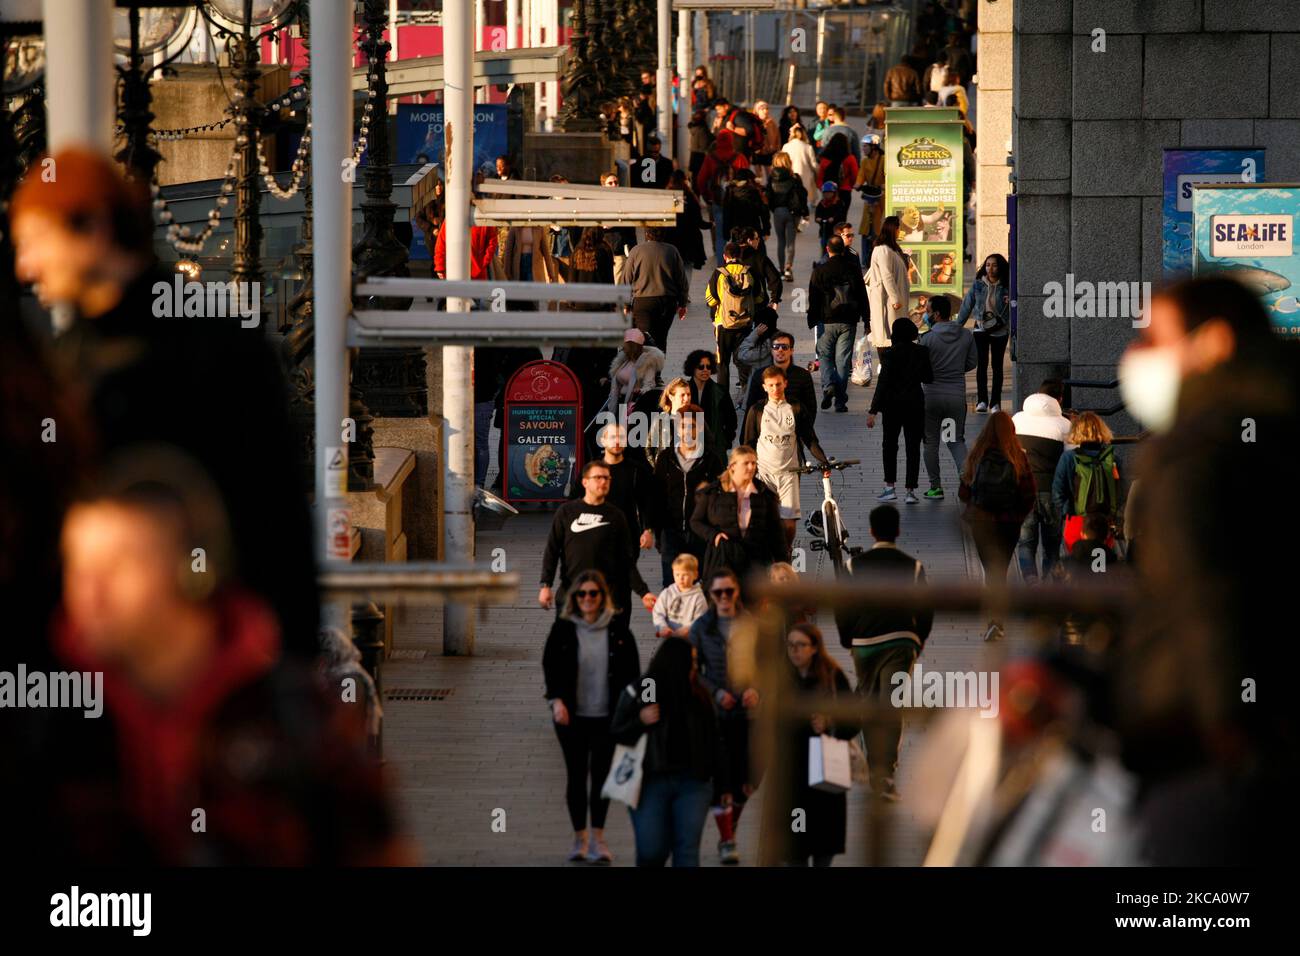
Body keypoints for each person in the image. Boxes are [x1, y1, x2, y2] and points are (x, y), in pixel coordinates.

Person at [10, 147, 320, 660]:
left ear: (93, 228)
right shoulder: (213, 341)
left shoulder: (97, 365)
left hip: (198, 661)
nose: (25, 267)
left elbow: (272, 522)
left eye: (35, 241)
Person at [47, 453, 405, 864]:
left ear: (192, 573)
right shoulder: (51, 718)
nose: (90, 594)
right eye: (79, 567)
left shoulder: (297, 718)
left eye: (118, 567)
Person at [1114, 275, 1300, 864]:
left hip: (1206, 745)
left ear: (1214, 341)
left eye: (1153, 337)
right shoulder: (1277, 418)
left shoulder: (1197, 451)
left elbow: (1208, 597)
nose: (1137, 356)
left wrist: (1226, 726)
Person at [835, 504, 933, 800]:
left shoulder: (854, 567)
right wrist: (919, 639)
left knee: (868, 699)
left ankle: (872, 759)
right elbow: (925, 610)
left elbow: (843, 609)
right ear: (898, 531)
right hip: (901, 643)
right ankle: (885, 772)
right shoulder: (913, 567)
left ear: (871, 531)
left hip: (864, 645)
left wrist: (847, 640)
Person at [542, 569, 640, 864]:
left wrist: (638, 708)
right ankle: (579, 839)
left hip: (606, 718)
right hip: (571, 716)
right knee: (575, 776)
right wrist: (556, 700)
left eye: (593, 594)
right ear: (575, 598)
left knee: (600, 777)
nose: (587, 599)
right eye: (582, 594)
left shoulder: (619, 630)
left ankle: (598, 838)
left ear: (602, 597)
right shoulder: (563, 628)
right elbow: (551, 666)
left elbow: (635, 675)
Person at [610, 635, 728, 867]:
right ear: (676, 661)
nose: (696, 666)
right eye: (692, 661)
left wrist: (723, 785)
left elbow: (715, 740)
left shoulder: (698, 694)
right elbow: (620, 729)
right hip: (651, 779)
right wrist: (641, 721)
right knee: (652, 850)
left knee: (686, 851)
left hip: (693, 782)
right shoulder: (650, 686)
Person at [689, 568, 761, 864]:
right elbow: (692, 671)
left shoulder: (754, 625)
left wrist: (757, 690)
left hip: (749, 715)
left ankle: (729, 830)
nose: (723, 598)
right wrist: (716, 693)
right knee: (723, 781)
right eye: (717, 593)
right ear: (711, 596)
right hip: (717, 715)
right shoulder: (701, 628)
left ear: (737, 593)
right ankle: (728, 839)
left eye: (728, 592)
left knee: (747, 782)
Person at [539, 460, 656, 633]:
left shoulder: (616, 516)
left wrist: (643, 592)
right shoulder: (566, 512)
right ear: (585, 482)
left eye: (607, 478)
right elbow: (552, 550)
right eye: (598, 477)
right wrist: (545, 585)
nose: (603, 482)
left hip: (605, 598)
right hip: (571, 595)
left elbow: (626, 561)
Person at [777, 623, 859, 865]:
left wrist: (830, 723)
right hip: (794, 780)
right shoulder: (780, 679)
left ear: (814, 648)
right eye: (790, 645)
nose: (794, 651)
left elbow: (854, 721)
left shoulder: (833, 677)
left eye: (800, 645)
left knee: (824, 846)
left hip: (826, 778)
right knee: (795, 846)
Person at [958, 411, 1036, 642]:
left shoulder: (977, 454)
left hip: (982, 524)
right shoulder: (1018, 456)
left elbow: (964, 492)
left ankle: (995, 620)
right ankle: (997, 620)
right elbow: (1029, 493)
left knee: (992, 571)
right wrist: (1018, 516)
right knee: (999, 570)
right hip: (1009, 524)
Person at [744, 366, 832, 551]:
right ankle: (769, 558)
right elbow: (748, 443)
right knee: (766, 522)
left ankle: (786, 552)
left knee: (789, 525)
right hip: (764, 474)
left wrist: (823, 460)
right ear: (764, 387)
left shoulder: (796, 407)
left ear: (785, 383)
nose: (775, 389)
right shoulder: (757, 410)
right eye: (771, 385)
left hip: (789, 474)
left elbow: (809, 438)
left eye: (778, 384)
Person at [690, 446, 788, 593]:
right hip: (723, 557)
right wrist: (713, 535)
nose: (751, 467)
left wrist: (784, 565)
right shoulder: (713, 493)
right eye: (746, 463)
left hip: (756, 559)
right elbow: (696, 521)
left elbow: (776, 533)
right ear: (733, 466)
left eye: (754, 463)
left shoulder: (765, 494)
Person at [648, 408, 724, 589]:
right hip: (671, 531)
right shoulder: (665, 458)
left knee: (701, 586)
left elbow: (721, 497)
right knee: (671, 584)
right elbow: (656, 496)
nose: (687, 431)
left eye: (692, 426)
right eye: (683, 426)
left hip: (701, 532)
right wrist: (655, 530)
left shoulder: (711, 460)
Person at [868, 318, 934, 503]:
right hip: (915, 404)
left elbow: (883, 383)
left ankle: (890, 487)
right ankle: (910, 491)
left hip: (892, 406)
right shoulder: (922, 352)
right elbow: (928, 378)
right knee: (913, 447)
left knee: (889, 446)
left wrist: (873, 411)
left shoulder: (889, 354)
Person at [1013, 383, 1072, 582]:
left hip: (1023, 491)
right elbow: (1070, 459)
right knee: (1052, 543)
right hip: (1052, 490)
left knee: (1025, 543)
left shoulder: (1017, 420)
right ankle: (1050, 583)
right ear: (1059, 400)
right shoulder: (1064, 425)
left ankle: (1031, 580)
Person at [920, 294, 976, 499]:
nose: (925, 315)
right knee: (954, 440)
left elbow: (922, 369)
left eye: (927, 311)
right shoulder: (966, 335)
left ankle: (935, 487)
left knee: (931, 443)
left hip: (931, 398)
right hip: (955, 397)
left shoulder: (927, 339)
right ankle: (967, 481)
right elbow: (972, 362)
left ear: (936, 314)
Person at [809, 235, 869, 413]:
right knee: (842, 361)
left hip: (826, 321)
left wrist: (812, 318)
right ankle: (840, 402)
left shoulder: (820, 270)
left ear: (827, 249)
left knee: (825, 355)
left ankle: (828, 386)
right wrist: (867, 319)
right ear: (843, 249)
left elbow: (814, 297)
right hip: (849, 321)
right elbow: (862, 296)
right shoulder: (852, 269)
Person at [1051, 412, 1122, 555]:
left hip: (1077, 520)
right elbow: (1121, 491)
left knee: (1077, 566)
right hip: (1104, 522)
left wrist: (1067, 512)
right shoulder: (1112, 458)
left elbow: (1058, 491)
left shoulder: (1069, 458)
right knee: (1099, 565)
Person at [705, 241, 766, 396]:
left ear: (725, 256)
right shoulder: (749, 272)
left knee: (723, 362)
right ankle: (746, 392)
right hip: (745, 323)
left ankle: (723, 395)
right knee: (743, 360)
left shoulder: (719, 273)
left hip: (723, 324)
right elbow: (760, 298)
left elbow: (710, 299)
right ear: (740, 255)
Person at [624, 225, 690, 354]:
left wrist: (626, 304)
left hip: (643, 302)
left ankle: (648, 371)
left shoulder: (636, 251)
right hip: (667, 301)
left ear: (646, 234)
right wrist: (682, 303)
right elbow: (682, 279)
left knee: (645, 337)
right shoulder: (672, 251)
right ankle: (657, 371)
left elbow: (626, 279)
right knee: (661, 337)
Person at [958, 253, 1011, 412]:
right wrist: (956, 326)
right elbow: (967, 306)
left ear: (1000, 266)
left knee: (997, 366)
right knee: (981, 364)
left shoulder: (1007, 286)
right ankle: (982, 400)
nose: (990, 268)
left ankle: (995, 402)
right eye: (988, 265)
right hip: (981, 328)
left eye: (994, 265)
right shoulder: (978, 285)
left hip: (1000, 330)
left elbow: (1015, 306)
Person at [594, 422, 657, 553]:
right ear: (603, 440)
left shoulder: (637, 470)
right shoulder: (592, 470)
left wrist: (648, 530)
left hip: (628, 536)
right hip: (597, 534)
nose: (617, 441)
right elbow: (575, 501)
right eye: (612, 437)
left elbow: (648, 502)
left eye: (621, 437)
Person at [695, 129, 750, 263]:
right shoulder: (739, 157)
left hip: (718, 200)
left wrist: (707, 196)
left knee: (720, 236)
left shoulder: (710, 158)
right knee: (738, 234)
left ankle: (722, 265)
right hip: (738, 203)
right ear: (732, 141)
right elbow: (748, 179)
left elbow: (700, 180)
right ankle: (738, 263)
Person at [742, 328, 818, 421]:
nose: (780, 350)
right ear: (771, 351)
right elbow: (751, 408)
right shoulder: (759, 375)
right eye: (776, 347)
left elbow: (811, 408)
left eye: (784, 347)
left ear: (791, 351)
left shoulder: (802, 376)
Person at [866, 215, 911, 365]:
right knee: (886, 337)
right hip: (887, 303)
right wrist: (895, 298)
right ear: (894, 229)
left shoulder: (892, 250)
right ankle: (886, 368)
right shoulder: (882, 250)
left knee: (894, 336)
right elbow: (887, 275)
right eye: (899, 229)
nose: (900, 232)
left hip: (894, 303)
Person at [684, 350, 738, 462]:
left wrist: (726, 440)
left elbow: (731, 419)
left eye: (708, 367)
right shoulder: (683, 391)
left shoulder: (720, 392)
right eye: (701, 367)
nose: (705, 370)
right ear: (692, 368)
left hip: (715, 447)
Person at [604, 328, 666, 421]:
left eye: (625, 344)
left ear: (632, 346)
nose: (622, 347)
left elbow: (649, 384)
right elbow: (619, 379)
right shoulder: (624, 360)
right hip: (618, 402)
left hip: (631, 405)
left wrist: (640, 391)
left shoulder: (646, 362)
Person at [766, 152, 808, 282]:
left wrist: (773, 209)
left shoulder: (771, 178)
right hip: (792, 212)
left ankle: (781, 270)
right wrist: (805, 212)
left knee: (781, 241)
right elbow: (802, 195)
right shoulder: (794, 177)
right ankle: (788, 268)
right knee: (791, 242)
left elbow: (769, 196)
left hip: (778, 211)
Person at [653, 553, 710, 638]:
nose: (681, 578)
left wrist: (688, 629)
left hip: (690, 641)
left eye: (685, 575)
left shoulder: (698, 597)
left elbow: (701, 620)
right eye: (677, 574)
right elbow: (658, 612)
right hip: (669, 638)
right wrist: (662, 627)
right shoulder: (667, 593)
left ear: (695, 575)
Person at [664, 169, 708, 272]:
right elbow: (699, 221)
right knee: (686, 270)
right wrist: (710, 225)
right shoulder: (690, 197)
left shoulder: (666, 197)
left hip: (670, 240)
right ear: (685, 181)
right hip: (689, 241)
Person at [721, 169, 770, 259]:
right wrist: (766, 230)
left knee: (739, 256)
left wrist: (726, 232)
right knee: (760, 257)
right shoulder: (755, 191)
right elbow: (764, 212)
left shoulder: (730, 191)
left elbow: (726, 214)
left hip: (737, 231)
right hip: (754, 230)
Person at [855, 130, 886, 268]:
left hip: (882, 196)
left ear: (874, 147)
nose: (863, 149)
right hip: (870, 195)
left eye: (866, 146)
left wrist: (883, 185)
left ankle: (880, 257)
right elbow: (860, 179)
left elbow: (888, 177)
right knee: (866, 226)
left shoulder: (884, 160)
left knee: (879, 225)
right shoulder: (864, 161)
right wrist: (857, 185)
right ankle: (865, 259)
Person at [817, 133, 858, 232]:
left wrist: (824, 189)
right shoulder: (850, 158)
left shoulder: (825, 158)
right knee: (841, 219)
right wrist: (850, 185)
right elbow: (855, 176)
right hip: (844, 192)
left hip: (828, 193)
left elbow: (820, 177)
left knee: (827, 217)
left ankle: (827, 242)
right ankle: (840, 241)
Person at [735, 224, 782, 307]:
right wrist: (775, 300)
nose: (759, 240)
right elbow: (775, 278)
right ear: (749, 240)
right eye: (756, 238)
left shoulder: (732, 256)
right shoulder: (760, 257)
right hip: (757, 304)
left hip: (734, 306)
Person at [781, 125, 819, 225]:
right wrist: (818, 172)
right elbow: (813, 164)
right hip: (805, 175)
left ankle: (792, 219)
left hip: (790, 175)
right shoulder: (808, 147)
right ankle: (801, 220)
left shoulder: (786, 146)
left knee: (791, 197)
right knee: (803, 198)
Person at [814, 183, 847, 264]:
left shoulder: (839, 203)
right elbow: (817, 213)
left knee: (836, 247)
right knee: (824, 246)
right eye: (825, 193)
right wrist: (818, 218)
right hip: (824, 230)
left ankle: (838, 261)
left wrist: (834, 218)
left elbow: (841, 214)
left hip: (835, 231)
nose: (827, 195)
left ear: (834, 193)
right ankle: (823, 261)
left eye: (829, 193)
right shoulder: (822, 203)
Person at [751, 101, 781, 183]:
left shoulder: (772, 123)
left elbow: (777, 138)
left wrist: (776, 150)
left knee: (770, 177)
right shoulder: (753, 123)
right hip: (756, 153)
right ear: (757, 111)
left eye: (766, 109)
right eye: (762, 109)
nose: (765, 111)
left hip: (769, 153)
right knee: (757, 178)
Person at [687, 109, 713, 176]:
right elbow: (704, 145)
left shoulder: (694, 128)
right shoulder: (702, 130)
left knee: (695, 177)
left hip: (694, 156)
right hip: (700, 158)